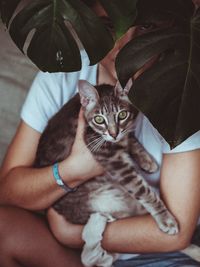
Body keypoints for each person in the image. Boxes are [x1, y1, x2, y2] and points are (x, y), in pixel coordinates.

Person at [0, 1, 200, 267]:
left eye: (146, 26)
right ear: (87, 22)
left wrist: (70, 234)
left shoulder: (181, 83)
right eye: (109, 26)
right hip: (83, 231)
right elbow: (8, 191)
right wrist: (75, 169)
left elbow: (175, 234)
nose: (126, 44)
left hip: (153, 252)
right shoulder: (63, 75)